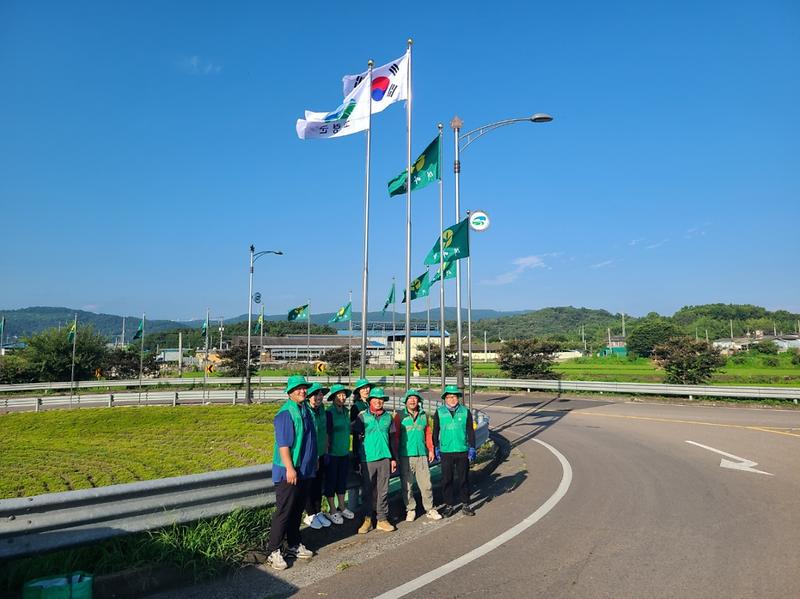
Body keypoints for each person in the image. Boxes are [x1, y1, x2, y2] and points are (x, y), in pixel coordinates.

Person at [266, 375, 318, 570]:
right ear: (289, 392)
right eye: (298, 389)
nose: (302, 391)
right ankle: (273, 550)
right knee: (284, 511)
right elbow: (284, 445)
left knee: (296, 510)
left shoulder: (305, 410)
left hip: (304, 470)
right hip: (289, 471)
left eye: (304, 388)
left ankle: (294, 544)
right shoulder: (286, 413)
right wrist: (289, 468)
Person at [352, 386, 397, 533]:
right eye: (375, 399)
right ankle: (367, 520)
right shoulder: (362, 416)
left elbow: (392, 439)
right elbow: (356, 440)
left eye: (381, 399)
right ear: (370, 401)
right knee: (367, 491)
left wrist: (393, 458)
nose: (378, 401)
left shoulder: (388, 417)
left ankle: (382, 519)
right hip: (367, 459)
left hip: (384, 457)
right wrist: (356, 459)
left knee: (383, 491)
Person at [394, 389, 442, 522]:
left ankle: (430, 508)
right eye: (410, 398)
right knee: (407, 485)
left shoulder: (423, 415)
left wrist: (431, 449)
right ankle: (410, 509)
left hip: (421, 454)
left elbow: (428, 433)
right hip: (405, 456)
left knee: (426, 484)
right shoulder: (399, 416)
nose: (412, 400)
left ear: (418, 401)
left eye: (415, 398)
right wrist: (395, 456)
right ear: (405, 401)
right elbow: (396, 437)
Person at [433, 385, 476, 518]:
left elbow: (470, 431)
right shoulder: (439, 412)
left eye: (454, 396)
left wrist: (472, 447)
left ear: (458, 398)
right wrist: (436, 447)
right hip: (446, 451)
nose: (452, 399)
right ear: (445, 399)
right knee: (447, 479)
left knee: (464, 479)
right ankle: (449, 505)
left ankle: (465, 504)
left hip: (462, 450)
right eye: (449, 397)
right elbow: (435, 431)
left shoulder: (465, 412)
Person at [324, 383, 356, 525]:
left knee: (342, 481)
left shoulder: (345, 412)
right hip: (333, 453)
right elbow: (327, 434)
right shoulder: (329, 413)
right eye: (339, 395)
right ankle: (332, 510)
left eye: (344, 395)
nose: (342, 398)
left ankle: (342, 506)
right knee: (331, 482)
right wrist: (327, 451)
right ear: (333, 397)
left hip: (344, 452)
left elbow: (348, 428)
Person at [303, 383, 331, 530]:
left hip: (320, 453)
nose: (319, 397)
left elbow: (324, 431)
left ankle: (318, 511)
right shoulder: (306, 411)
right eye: (315, 394)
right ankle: (310, 514)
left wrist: (325, 449)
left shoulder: (322, 410)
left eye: (320, 394)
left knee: (318, 483)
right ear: (309, 397)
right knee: (310, 484)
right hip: (309, 456)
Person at [349, 377, 372, 511]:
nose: (366, 390)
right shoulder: (356, 407)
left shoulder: (372, 403)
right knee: (361, 476)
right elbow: (352, 427)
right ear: (358, 391)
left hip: (373, 445)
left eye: (368, 387)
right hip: (361, 445)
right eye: (363, 388)